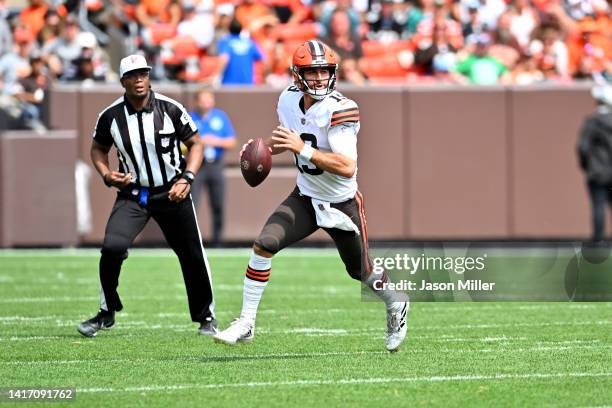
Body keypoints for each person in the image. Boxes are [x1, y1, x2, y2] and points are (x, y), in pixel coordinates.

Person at [213, 40, 409, 352]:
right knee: (264, 245)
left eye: (324, 71)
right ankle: (246, 322)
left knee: (362, 272)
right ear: (296, 76)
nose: (319, 78)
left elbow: (346, 166)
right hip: (305, 197)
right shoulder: (288, 100)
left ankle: (396, 301)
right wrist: (260, 148)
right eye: (312, 71)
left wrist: (301, 148)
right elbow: (286, 139)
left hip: (341, 204)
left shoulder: (342, 109)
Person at [77, 54, 216, 338]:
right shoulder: (110, 116)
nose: (139, 80)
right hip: (133, 194)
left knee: (192, 254)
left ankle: (206, 317)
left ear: (149, 77)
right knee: (112, 248)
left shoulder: (170, 108)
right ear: (123, 81)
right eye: (133, 76)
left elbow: (196, 144)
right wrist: (106, 174)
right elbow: (97, 148)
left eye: (143, 74)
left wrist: (187, 178)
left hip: (172, 192)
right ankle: (107, 312)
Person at [189, 88, 236, 246]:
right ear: (197, 101)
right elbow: (181, 143)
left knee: (218, 203)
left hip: (215, 164)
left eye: (209, 98)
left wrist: (213, 140)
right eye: (203, 99)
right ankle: (192, 240)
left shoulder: (220, 117)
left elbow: (231, 141)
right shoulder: (190, 118)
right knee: (193, 204)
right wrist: (197, 143)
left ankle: (218, 241)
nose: (207, 102)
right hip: (196, 165)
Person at [577, 83, 612, 242]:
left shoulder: (592, 122)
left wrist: (586, 165)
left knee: (598, 205)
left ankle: (599, 239)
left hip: (597, 172)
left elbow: (583, 147)